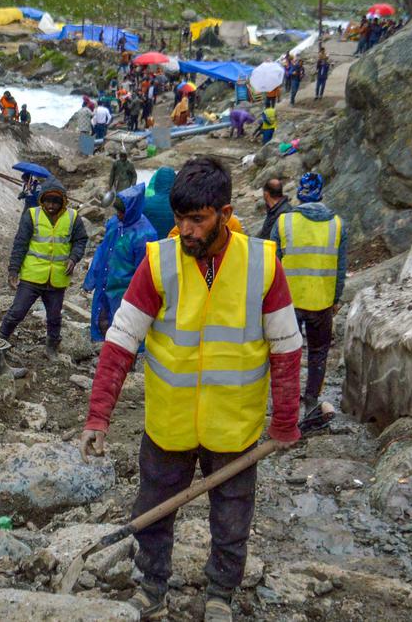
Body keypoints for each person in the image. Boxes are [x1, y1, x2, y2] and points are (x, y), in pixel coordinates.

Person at [79, 156, 303, 622]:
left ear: (224, 212)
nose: (187, 231)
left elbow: (285, 347)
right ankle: (152, 588)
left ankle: (221, 593)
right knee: (154, 510)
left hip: (234, 423)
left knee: (232, 517)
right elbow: (121, 340)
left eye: (197, 220)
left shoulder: (262, 263)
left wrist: (285, 420)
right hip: (169, 420)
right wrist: (98, 414)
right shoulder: (160, 261)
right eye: (180, 219)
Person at [269, 172, 347, 413]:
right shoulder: (337, 224)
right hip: (322, 301)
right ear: (321, 193)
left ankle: (287, 403)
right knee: (318, 352)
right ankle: (312, 399)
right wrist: (335, 298)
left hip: (288, 302)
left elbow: (272, 262)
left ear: (300, 193)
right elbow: (340, 266)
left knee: (287, 353)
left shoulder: (283, 222)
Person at [0, 177, 88, 359]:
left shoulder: (73, 217)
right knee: (17, 311)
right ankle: (0, 341)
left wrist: (74, 257)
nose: (51, 206)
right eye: (47, 201)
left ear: (63, 202)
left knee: (54, 317)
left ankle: (51, 347)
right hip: (32, 276)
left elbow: (81, 240)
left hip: (58, 278)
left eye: (56, 202)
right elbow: (20, 244)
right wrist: (13, 270)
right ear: (41, 199)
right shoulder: (32, 215)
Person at [84, 184, 157, 341]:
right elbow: (102, 251)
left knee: (123, 329)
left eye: (121, 212)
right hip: (106, 282)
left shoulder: (144, 234)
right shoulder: (115, 224)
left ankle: (123, 361)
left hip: (125, 290)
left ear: (132, 210)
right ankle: (106, 354)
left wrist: (139, 296)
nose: (118, 215)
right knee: (102, 321)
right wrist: (92, 278)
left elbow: (144, 271)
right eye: (117, 211)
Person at [142, 166, 175, 238]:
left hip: (152, 245)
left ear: (157, 182)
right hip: (172, 245)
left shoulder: (145, 203)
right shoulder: (179, 204)